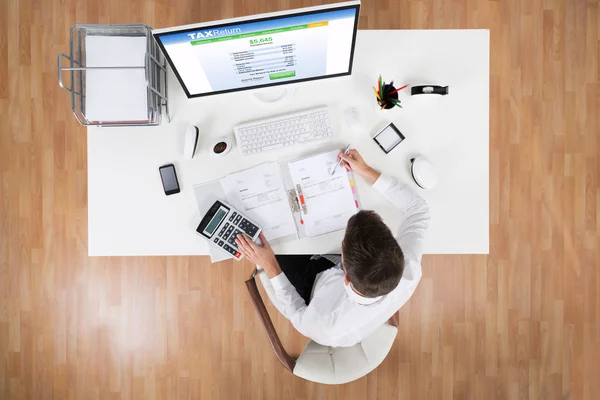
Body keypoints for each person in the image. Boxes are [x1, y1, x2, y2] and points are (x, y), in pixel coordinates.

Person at [235, 149, 430, 347]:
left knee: (271, 243)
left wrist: (270, 266)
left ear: (345, 273)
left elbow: (295, 310)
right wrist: (365, 170)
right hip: (345, 275)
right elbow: (418, 210)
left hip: (310, 286)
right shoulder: (409, 267)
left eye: (343, 241)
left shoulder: (324, 327)